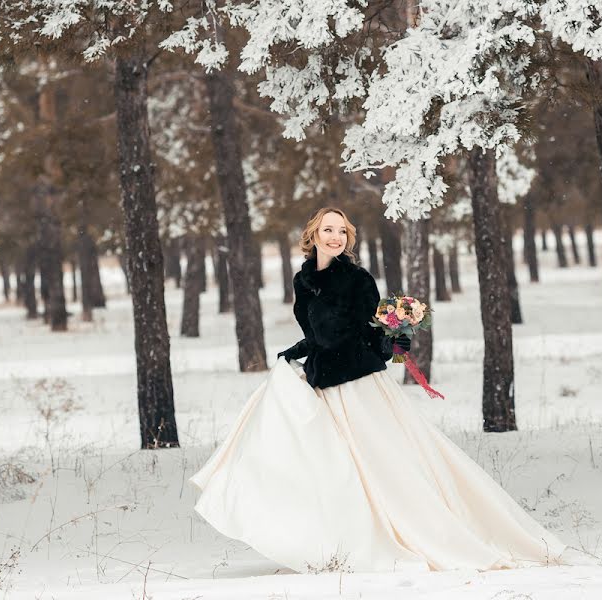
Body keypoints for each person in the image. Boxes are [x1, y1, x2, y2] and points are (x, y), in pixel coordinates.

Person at [189, 207, 568, 574]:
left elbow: (369, 333)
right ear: (313, 236)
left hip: (358, 384)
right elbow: (317, 334)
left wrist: (394, 334)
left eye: (342, 231)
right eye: (328, 230)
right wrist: (299, 352)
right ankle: (332, 539)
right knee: (328, 464)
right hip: (325, 382)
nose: (336, 237)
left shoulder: (358, 279)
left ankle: (426, 533)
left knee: (387, 466)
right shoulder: (303, 280)